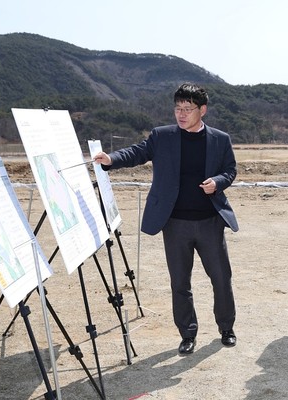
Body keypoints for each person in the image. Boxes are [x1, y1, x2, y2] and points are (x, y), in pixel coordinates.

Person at [93, 82, 238, 355]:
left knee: (221, 278)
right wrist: (111, 158)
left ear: (202, 110)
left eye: (188, 109)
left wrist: (218, 182)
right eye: (178, 108)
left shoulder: (220, 139)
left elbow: (230, 170)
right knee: (180, 282)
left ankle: (226, 328)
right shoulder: (162, 136)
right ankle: (187, 333)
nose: (181, 114)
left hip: (210, 222)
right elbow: (136, 152)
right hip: (175, 224)